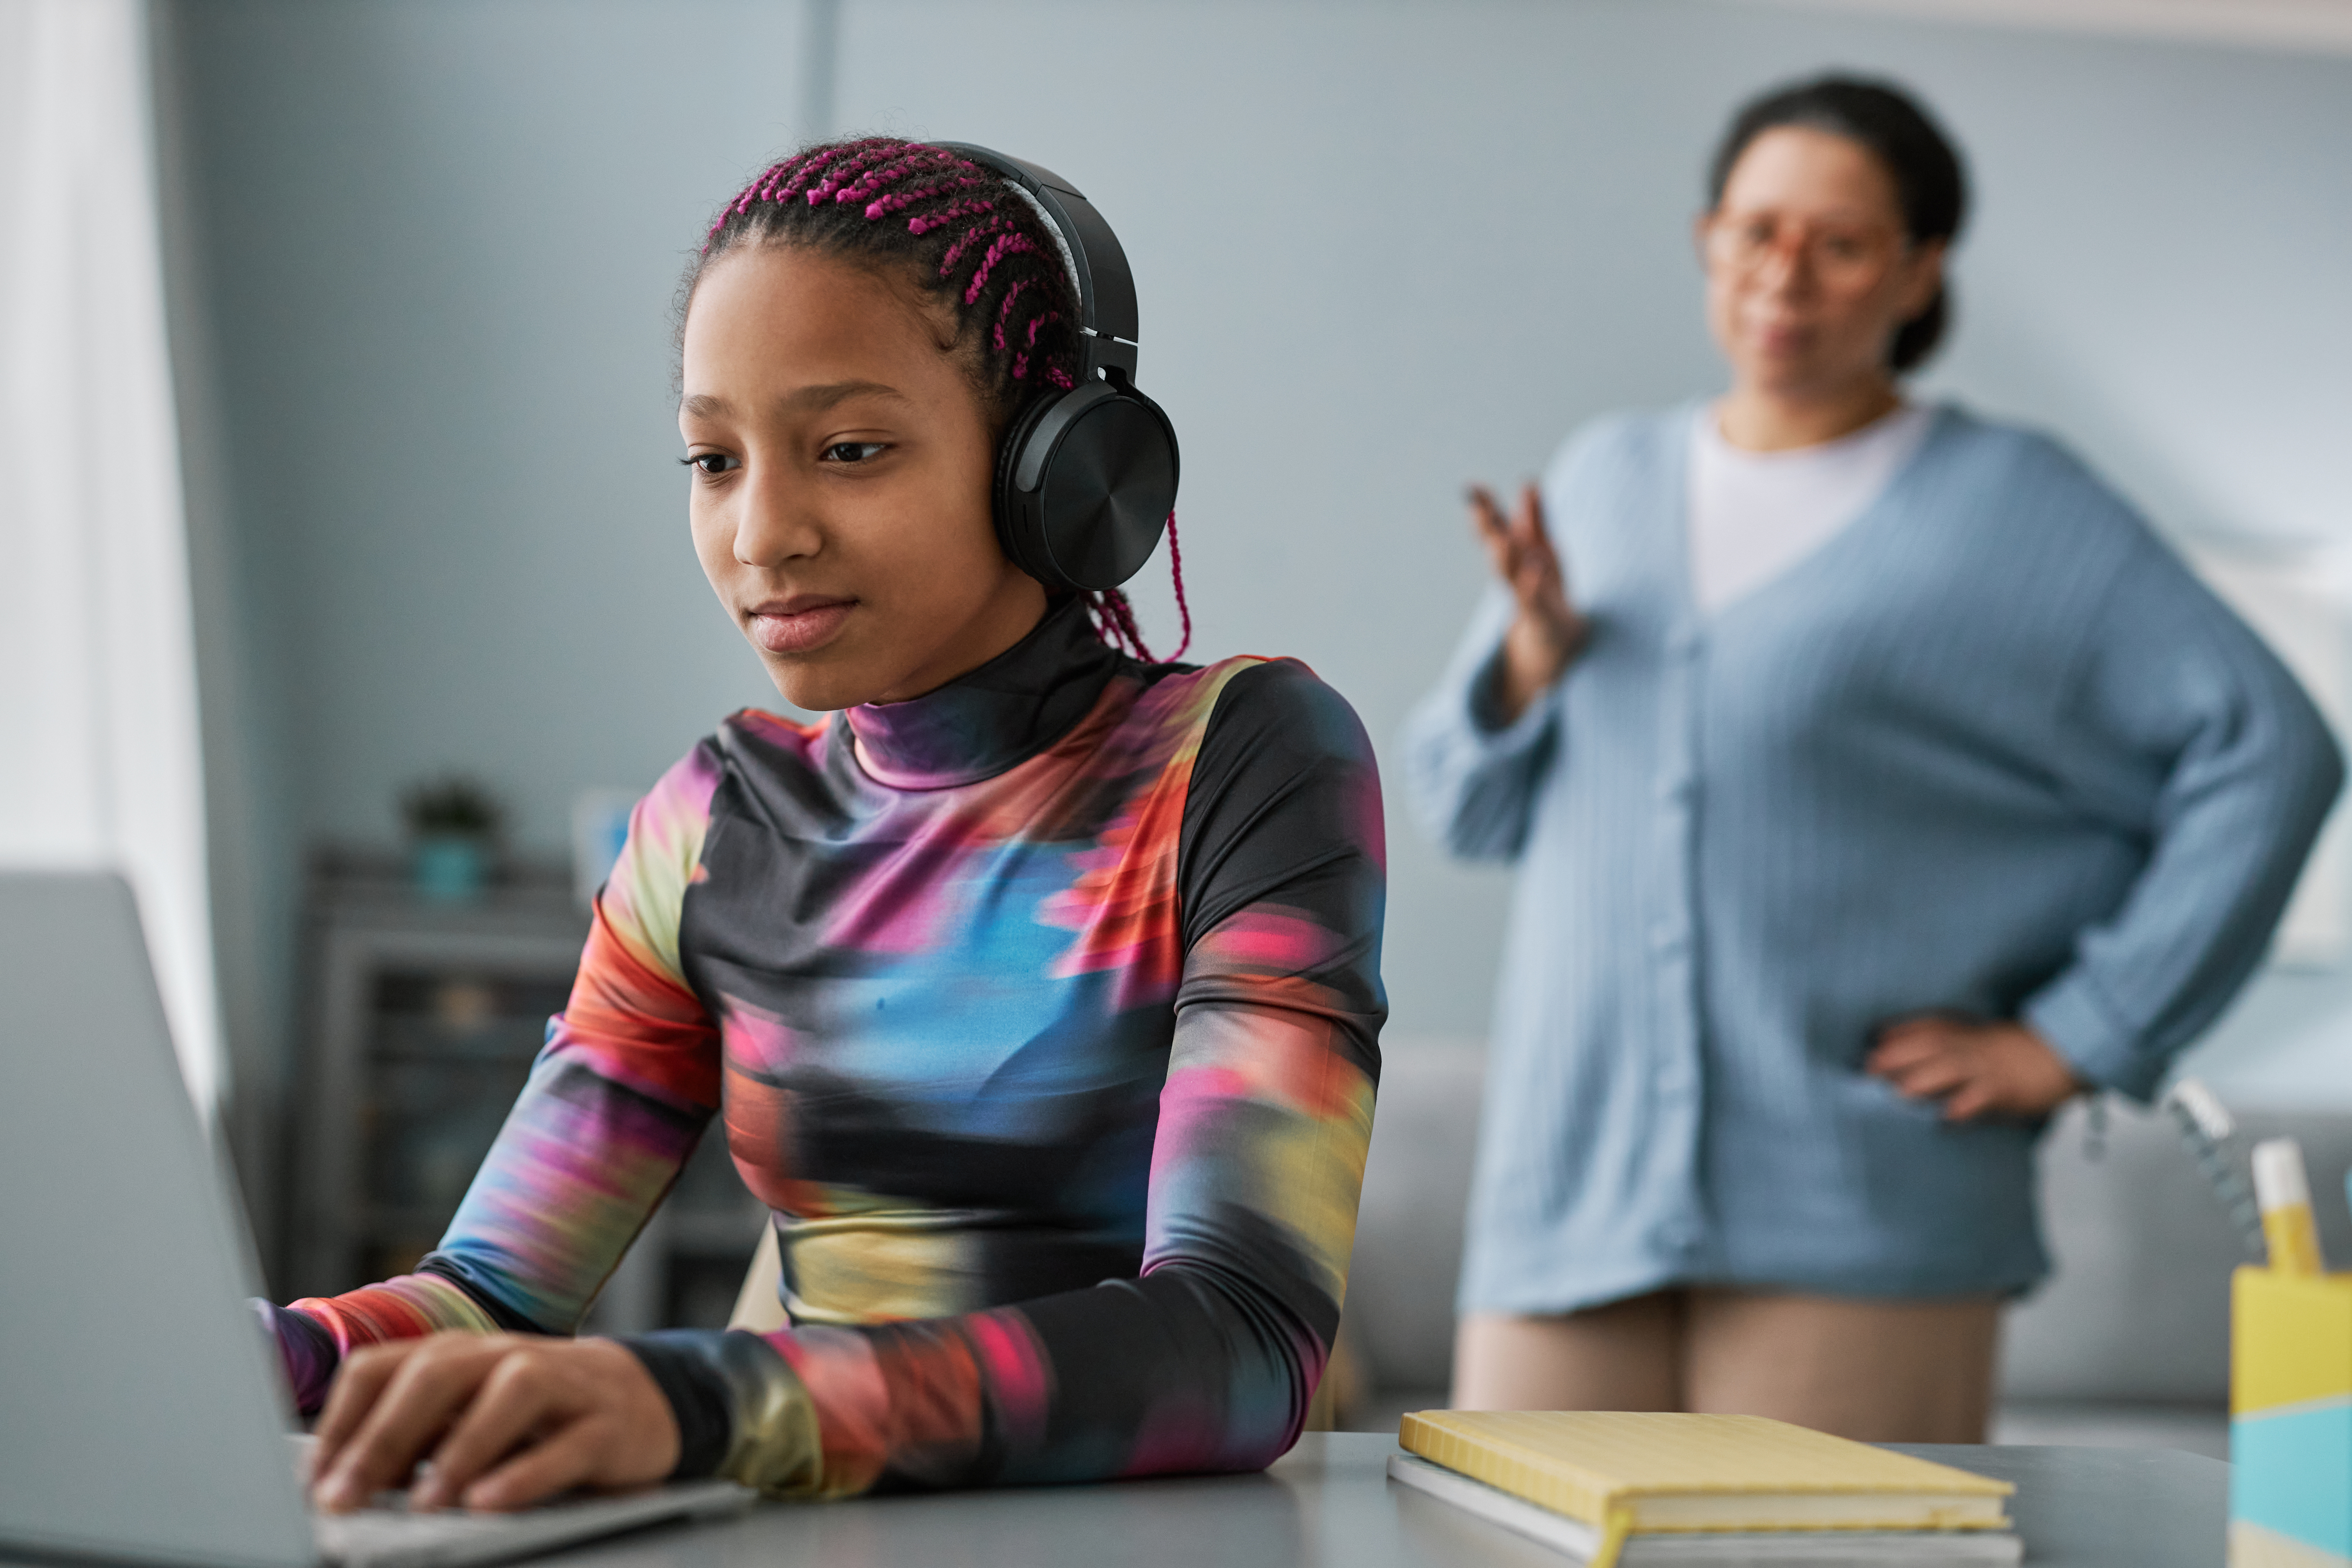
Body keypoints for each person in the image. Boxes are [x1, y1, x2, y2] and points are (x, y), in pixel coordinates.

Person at [262, 138, 1386, 1508]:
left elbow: (1244, 1342)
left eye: (849, 449)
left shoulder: (1245, 758)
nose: (761, 531)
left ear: (1058, 468)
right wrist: (262, 1358)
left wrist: (707, 1401)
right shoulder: (713, 820)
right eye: (713, 458)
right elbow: (490, 1290)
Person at [1405, 75, 2341, 1441]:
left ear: (1919, 272)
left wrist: (2077, 1036)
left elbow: (2274, 749)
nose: (1785, 274)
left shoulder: (2017, 507)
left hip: (1859, 1207)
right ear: (1707, 242)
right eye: (1754, 231)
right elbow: (1460, 806)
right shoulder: (1603, 480)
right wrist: (1531, 664)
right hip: (1566, 1196)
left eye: (1839, 243)